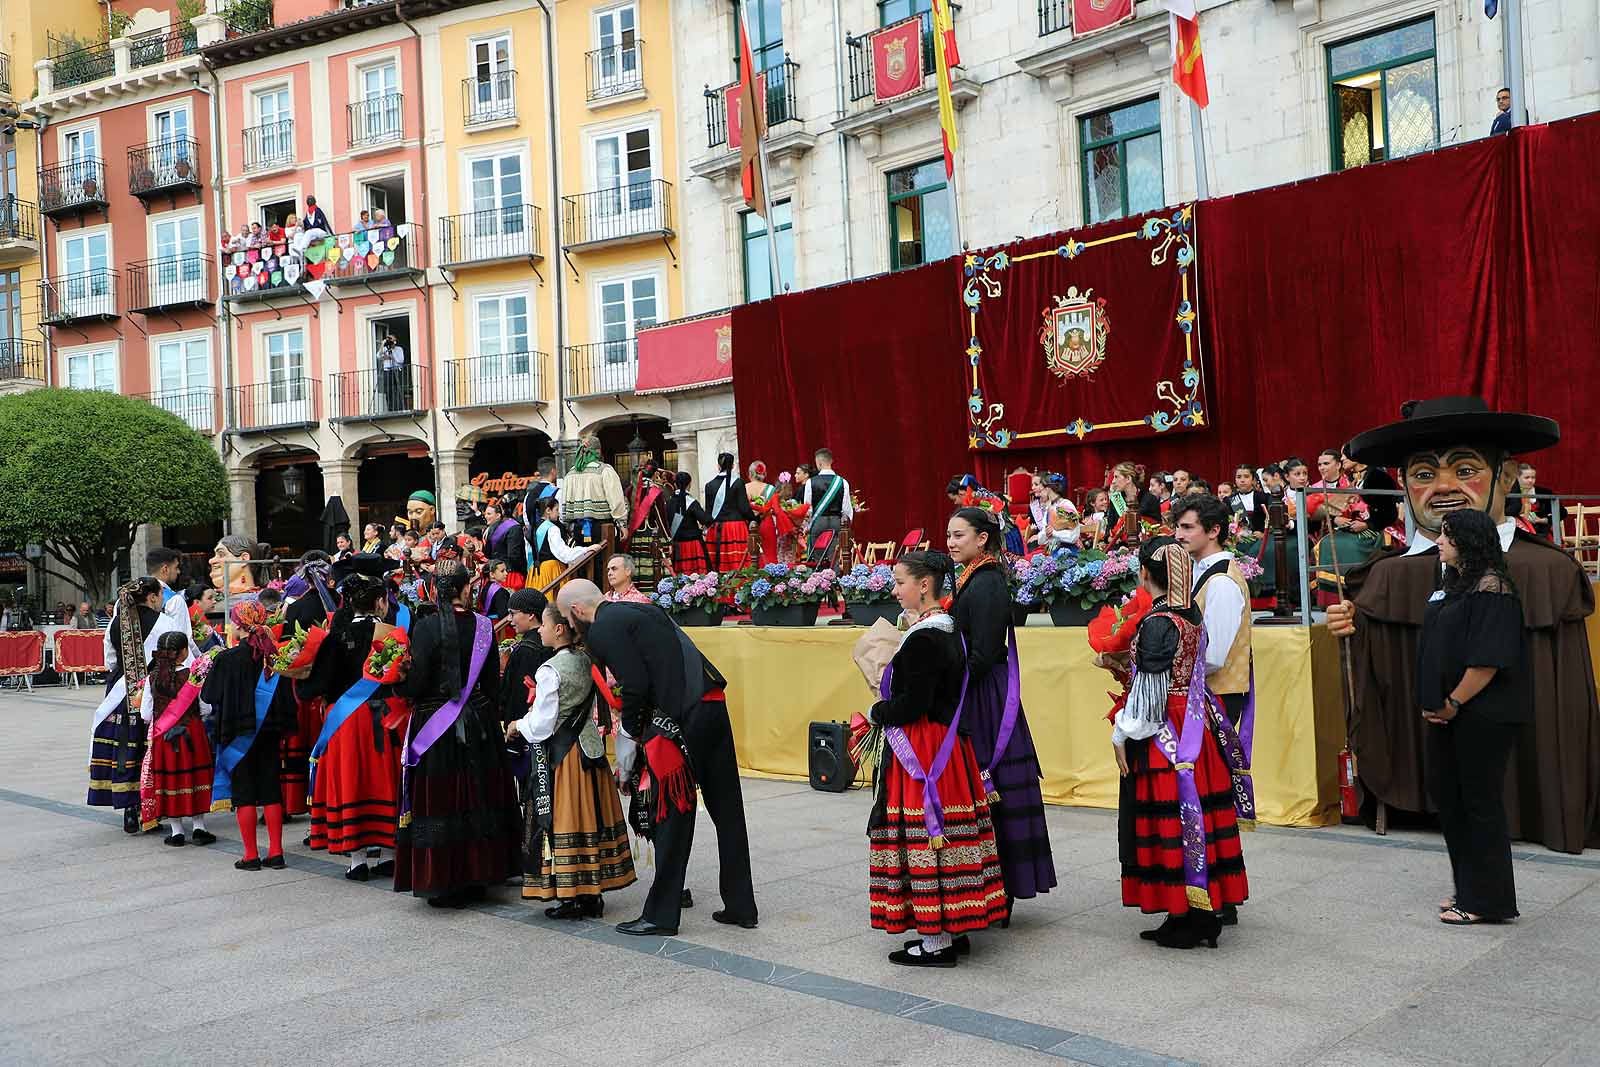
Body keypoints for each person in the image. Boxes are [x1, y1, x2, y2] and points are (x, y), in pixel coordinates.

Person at [1329, 397, 1599, 855]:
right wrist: (1354, 627)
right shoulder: (1389, 574)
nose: (1444, 487)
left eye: (1466, 470)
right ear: (1403, 485)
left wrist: (1454, 701)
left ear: (1507, 477)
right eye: (1424, 475)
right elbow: (1378, 677)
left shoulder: (1543, 570)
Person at [560, 580, 757, 936]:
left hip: (681, 720)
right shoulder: (641, 609)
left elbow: (635, 684)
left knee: (670, 814)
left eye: (567, 620)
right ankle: (741, 905)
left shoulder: (603, 626)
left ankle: (661, 915)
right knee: (728, 810)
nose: (572, 630)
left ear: (576, 611)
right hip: (712, 703)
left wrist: (629, 737)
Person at [867, 551, 1009, 967]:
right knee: (949, 832)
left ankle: (935, 940)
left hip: (925, 747)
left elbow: (915, 703)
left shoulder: (925, 638)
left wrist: (879, 712)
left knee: (927, 836)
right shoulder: (947, 630)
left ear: (923, 585)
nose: (894, 591)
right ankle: (953, 927)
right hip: (950, 747)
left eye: (899, 582)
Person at [1111, 538, 1249, 949]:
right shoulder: (1188, 613)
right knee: (1198, 812)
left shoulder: (1157, 622)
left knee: (1169, 814)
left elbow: (1150, 692)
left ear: (1144, 575)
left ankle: (1185, 913)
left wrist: (1122, 732)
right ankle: (1198, 909)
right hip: (1194, 723)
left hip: (1166, 728)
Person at [1418, 509, 1528, 924]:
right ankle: (1468, 886)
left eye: (1446, 536)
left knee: (1479, 802)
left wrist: (1454, 703)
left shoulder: (1493, 587)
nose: (1439, 542)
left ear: (1468, 541)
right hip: (1447, 712)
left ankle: (1487, 899)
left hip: (1481, 713)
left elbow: (1488, 661)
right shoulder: (1451, 583)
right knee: (1450, 797)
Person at [945, 507, 1056, 909]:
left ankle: (1002, 886)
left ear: (982, 539)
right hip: (977, 688)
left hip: (984, 696)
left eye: (960, 535)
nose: (952, 542)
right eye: (949, 535)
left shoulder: (987, 582)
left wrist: (947, 683)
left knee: (992, 785)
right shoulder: (973, 576)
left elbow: (986, 652)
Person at [394, 567, 521, 907]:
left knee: (441, 799)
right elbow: (494, 683)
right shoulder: (483, 626)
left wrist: (399, 679)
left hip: (435, 725)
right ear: (466, 590)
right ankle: (481, 874)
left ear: (435, 589)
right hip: (478, 721)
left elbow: (417, 684)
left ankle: (442, 879)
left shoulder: (424, 627)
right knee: (478, 794)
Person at [506, 601, 637, 914]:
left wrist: (516, 725)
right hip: (589, 748)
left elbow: (542, 723)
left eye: (545, 626)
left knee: (568, 818)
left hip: (565, 756)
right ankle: (593, 892)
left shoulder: (550, 669)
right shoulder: (584, 659)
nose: (540, 630)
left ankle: (573, 893)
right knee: (591, 817)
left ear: (559, 629)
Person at [302, 575, 407, 881]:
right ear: (380, 603)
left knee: (352, 781)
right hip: (386, 717)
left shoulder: (334, 637)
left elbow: (316, 686)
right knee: (385, 781)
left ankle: (357, 859)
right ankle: (388, 855)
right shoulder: (392, 635)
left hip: (345, 721)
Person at [203, 600, 298, 871]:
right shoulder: (274, 657)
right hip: (269, 732)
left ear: (240, 625)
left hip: (237, 733)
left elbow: (208, 696)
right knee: (270, 789)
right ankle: (277, 853)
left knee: (244, 793)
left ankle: (251, 855)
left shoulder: (227, 658)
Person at [89, 578, 186, 833]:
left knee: (124, 747)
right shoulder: (165, 622)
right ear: (152, 597)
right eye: (160, 596)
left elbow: (109, 659)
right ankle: (149, 809)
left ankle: (129, 810)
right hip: (154, 693)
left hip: (120, 694)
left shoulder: (115, 622)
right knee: (148, 749)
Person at [137, 630, 215, 846]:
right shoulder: (194, 675)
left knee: (169, 779)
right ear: (183, 653)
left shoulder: (152, 678)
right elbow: (205, 708)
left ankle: (177, 831)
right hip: (192, 734)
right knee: (196, 776)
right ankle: (199, 827)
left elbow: (145, 714)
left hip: (165, 737)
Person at [560, 435, 630, 583]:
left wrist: (566, 527)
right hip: (603, 528)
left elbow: (563, 507)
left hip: (578, 529)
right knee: (605, 565)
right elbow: (616, 500)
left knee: (583, 565)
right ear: (598, 451)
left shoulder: (570, 474)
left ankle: (587, 599)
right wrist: (622, 524)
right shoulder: (604, 470)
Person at [500, 588, 554, 728]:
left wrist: (515, 725)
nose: (509, 619)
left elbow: (519, 697)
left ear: (530, 614)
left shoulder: (527, 650)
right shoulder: (548, 641)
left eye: (513, 613)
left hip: (525, 727)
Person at [529, 495, 595, 592]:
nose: (558, 513)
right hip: (551, 571)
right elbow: (565, 554)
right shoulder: (552, 528)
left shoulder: (534, 527)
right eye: (556, 510)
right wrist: (586, 549)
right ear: (548, 510)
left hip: (535, 572)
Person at [703, 452, 755, 574]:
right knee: (738, 565)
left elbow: (708, 512)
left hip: (715, 529)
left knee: (717, 567)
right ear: (733, 466)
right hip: (735, 528)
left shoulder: (709, 485)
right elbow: (744, 508)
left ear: (718, 465)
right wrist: (755, 519)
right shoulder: (738, 483)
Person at [802, 449, 852, 563]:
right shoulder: (843, 482)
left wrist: (805, 527)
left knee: (817, 559)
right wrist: (846, 528)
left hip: (818, 522)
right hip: (836, 522)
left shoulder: (810, 482)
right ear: (831, 461)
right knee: (834, 557)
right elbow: (846, 509)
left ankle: (818, 579)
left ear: (819, 463)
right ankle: (834, 578)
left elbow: (807, 509)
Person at [666, 471, 711, 575]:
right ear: (689, 484)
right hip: (693, 545)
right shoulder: (692, 502)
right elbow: (705, 520)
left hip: (676, 545)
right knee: (696, 578)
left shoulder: (668, 502)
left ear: (675, 484)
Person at [1508, 462, 1562, 539]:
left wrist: (1542, 520)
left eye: (1533, 477)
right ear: (1518, 477)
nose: (1530, 480)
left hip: (1540, 529)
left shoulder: (1543, 493)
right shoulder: (1510, 493)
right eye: (1527, 477)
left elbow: (1561, 512)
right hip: (1517, 527)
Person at [482, 501, 528, 584]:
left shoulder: (491, 529)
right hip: (511, 575)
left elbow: (487, 554)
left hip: (495, 575)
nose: (486, 516)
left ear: (499, 514)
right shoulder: (514, 527)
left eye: (489, 514)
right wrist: (524, 572)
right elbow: (514, 556)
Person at [1229, 465, 1269, 535]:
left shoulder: (1264, 497)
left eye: (1246, 476)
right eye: (1238, 477)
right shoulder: (1228, 501)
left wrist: (1264, 534)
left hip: (1260, 542)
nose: (1242, 480)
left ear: (1253, 480)